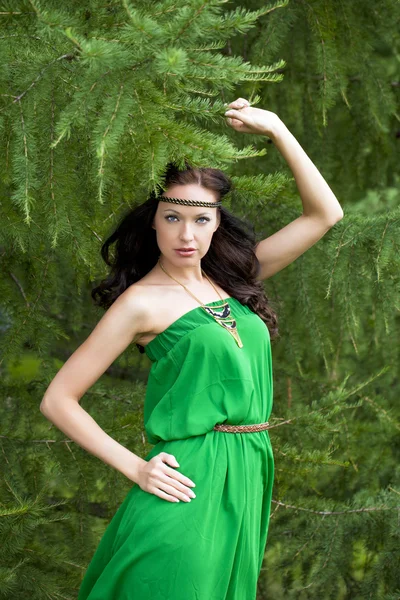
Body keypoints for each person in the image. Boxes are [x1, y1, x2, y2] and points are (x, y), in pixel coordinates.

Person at [40, 97, 344, 599]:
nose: (187, 234)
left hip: (247, 472)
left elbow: (324, 214)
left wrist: (276, 129)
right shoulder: (140, 304)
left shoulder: (234, 280)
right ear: (153, 221)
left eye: (201, 220)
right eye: (172, 217)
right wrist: (136, 467)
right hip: (190, 479)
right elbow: (58, 398)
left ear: (218, 223)